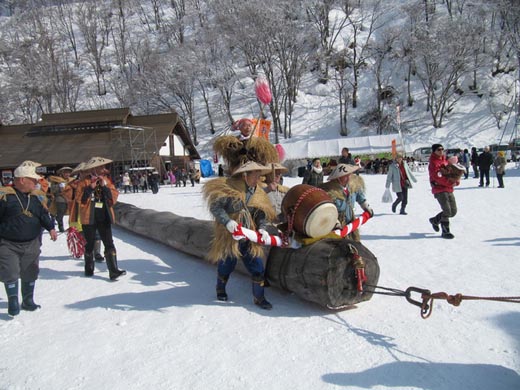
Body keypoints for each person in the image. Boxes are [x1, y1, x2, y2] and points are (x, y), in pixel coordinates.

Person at [202, 161, 276, 310]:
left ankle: (259, 297)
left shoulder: (259, 193)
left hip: (249, 237)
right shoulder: (230, 190)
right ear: (245, 175)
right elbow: (215, 206)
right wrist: (227, 221)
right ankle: (220, 288)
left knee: (258, 267)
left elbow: (261, 214)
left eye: (259, 176)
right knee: (226, 265)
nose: (257, 180)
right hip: (231, 238)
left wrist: (262, 228)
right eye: (255, 176)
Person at [0, 160, 58, 316]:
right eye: (33, 180)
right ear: (22, 180)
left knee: (30, 271)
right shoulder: (5, 196)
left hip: (31, 243)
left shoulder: (36, 198)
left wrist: (51, 228)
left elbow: (42, 215)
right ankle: (13, 300)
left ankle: (27, 300)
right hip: (8, 243)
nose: (36, 182)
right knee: (10, 271)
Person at [77, 157, 126, 280]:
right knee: (89, 243)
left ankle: (113, 270)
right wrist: (90, 188)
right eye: (100, 167)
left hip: (103, 216)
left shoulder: (106, 181)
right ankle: (89, 268)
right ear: (93, 168)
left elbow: (113, 198)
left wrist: (104, 187)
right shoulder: (84, 181)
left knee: (109, 242)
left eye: (102, 167)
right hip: (89, 217)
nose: (103, 169)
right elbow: (79, 199)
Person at [319, 163, 373, 242]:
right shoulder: (329, 192)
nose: (348, 178)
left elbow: (360, 197)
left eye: (349, 175)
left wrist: (366, 207)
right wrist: (335, 223)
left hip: (350, 223)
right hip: (336, 227)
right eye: (345, 176)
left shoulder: (353, 186)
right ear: (338, 178)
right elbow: (328, 210)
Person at [428, 144, 461, 239]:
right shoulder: (433, 163)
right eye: (438, 149)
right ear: (434, 151)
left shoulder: (445, 161)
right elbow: (437, 178)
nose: (441, 151)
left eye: (442, 149)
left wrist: (456, 180)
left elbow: (452, 173)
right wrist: (450, 183)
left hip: (448, 189)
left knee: (453, 211)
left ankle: (435, 220)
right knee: (447, 210)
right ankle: (445, 231)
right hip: (440, 189)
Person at [49, 166, 73, 232]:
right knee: (60, 213)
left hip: (70, 198)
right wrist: (59, 186)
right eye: (65, 173)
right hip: (60, 198)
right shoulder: (56, 180)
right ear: (62, 173)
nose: (67, 174)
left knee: (71, 212)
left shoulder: (71, 180)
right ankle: (61, 225)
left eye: (68, 173)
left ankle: (72, 226)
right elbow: (52, 190)